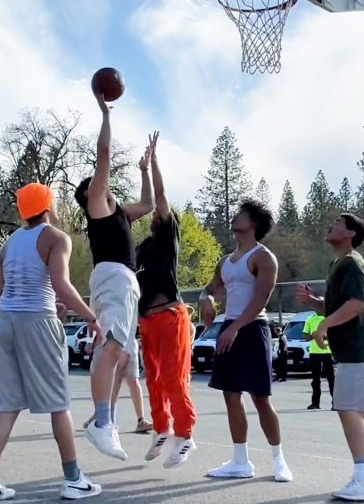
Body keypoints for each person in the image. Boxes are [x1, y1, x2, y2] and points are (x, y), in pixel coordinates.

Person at [0, 182, 104, 504]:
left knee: (9, 405)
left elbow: (1, 294)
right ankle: (73, 479)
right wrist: (91, 317)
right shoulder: (57, 238)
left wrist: (43, 300)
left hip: (7, 322)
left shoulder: (9, 244)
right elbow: (62, 285)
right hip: (37, 323)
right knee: (59, 403)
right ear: (47, 206)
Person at [73, 90, 157, 461]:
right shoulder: (98, 205)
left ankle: (102, 418)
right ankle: (102, 422)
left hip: (123, 279)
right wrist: (105, 115)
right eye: (98, 183)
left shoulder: (120, 214)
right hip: (113, 277)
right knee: (113, 348)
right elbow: (103, 155)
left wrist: (145, 171)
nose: (104, 183)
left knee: (119, 351)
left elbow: (150, 204)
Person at [297, 213, 364, 501]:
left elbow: (357, 303)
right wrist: (316, 303)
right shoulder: (339, 264)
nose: (331, 225)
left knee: (347, 408)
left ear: (351, 234)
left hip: (363, 349)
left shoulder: (353, 263)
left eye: (339, 223)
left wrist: (324, 324)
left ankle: (363, 479)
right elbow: (338, 306)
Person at [199, 199, 292, 482]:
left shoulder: (264, 257)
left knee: (260, 398)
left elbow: (260, 299)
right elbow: (210, 289)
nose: (235, 217)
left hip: (253, 328)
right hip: (230, 327)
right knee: (230, 396)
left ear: (251, 224)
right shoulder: (225, 262)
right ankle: (241, 461)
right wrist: (206, 300)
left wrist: (235, 327)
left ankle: (279, 461)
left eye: (240, 215)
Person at [134, 134, 198, 468]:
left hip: (171, 315)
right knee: (154, 378)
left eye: (163, 211)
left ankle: (186, 435)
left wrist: (153, 164)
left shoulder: (167, 237)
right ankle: (162, 428)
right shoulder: (141, 248)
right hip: (148, 320)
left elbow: (159, 196)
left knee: (175, 377)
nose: (157, 213)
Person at [82, 343, 152, 435]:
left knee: (124, 381)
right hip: (124, 345)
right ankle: (104, 416)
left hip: (125, 345)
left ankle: (107, 419)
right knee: (124, 381)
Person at [303, 313, 334, 409]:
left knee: (331, 378)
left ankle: (336, 403)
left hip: (327, 352)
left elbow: (336, 334)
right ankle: (315, 403)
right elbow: (305, 336)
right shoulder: (310, 319)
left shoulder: (330, 317)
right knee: (315, 379)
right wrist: (314, 336)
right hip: (314, 352)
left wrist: (323, 336)